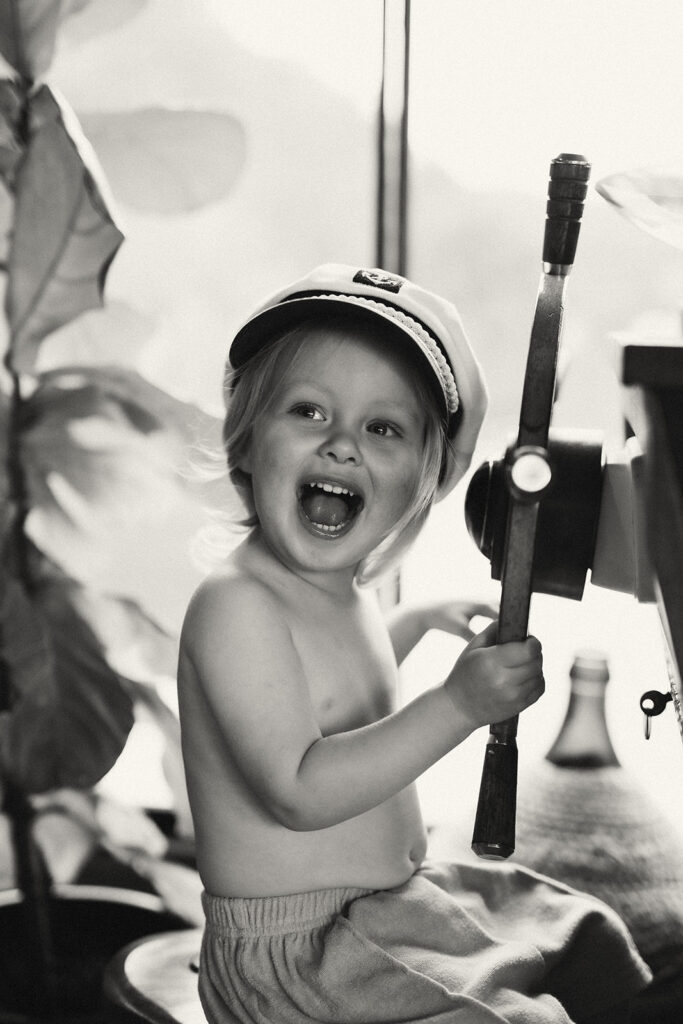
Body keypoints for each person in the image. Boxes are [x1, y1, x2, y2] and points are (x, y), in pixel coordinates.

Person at [178, 264, 651, 1024]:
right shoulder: (236, 606)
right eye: (308, 411)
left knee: (577, 932)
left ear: (425, 484)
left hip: (386, 908)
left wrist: (412, 624)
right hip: (302, 959)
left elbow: (336, 699)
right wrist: (457, 705)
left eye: (382, 428)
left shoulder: (339, 591)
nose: (340, 445)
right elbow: (298, 790)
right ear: (244, 443)